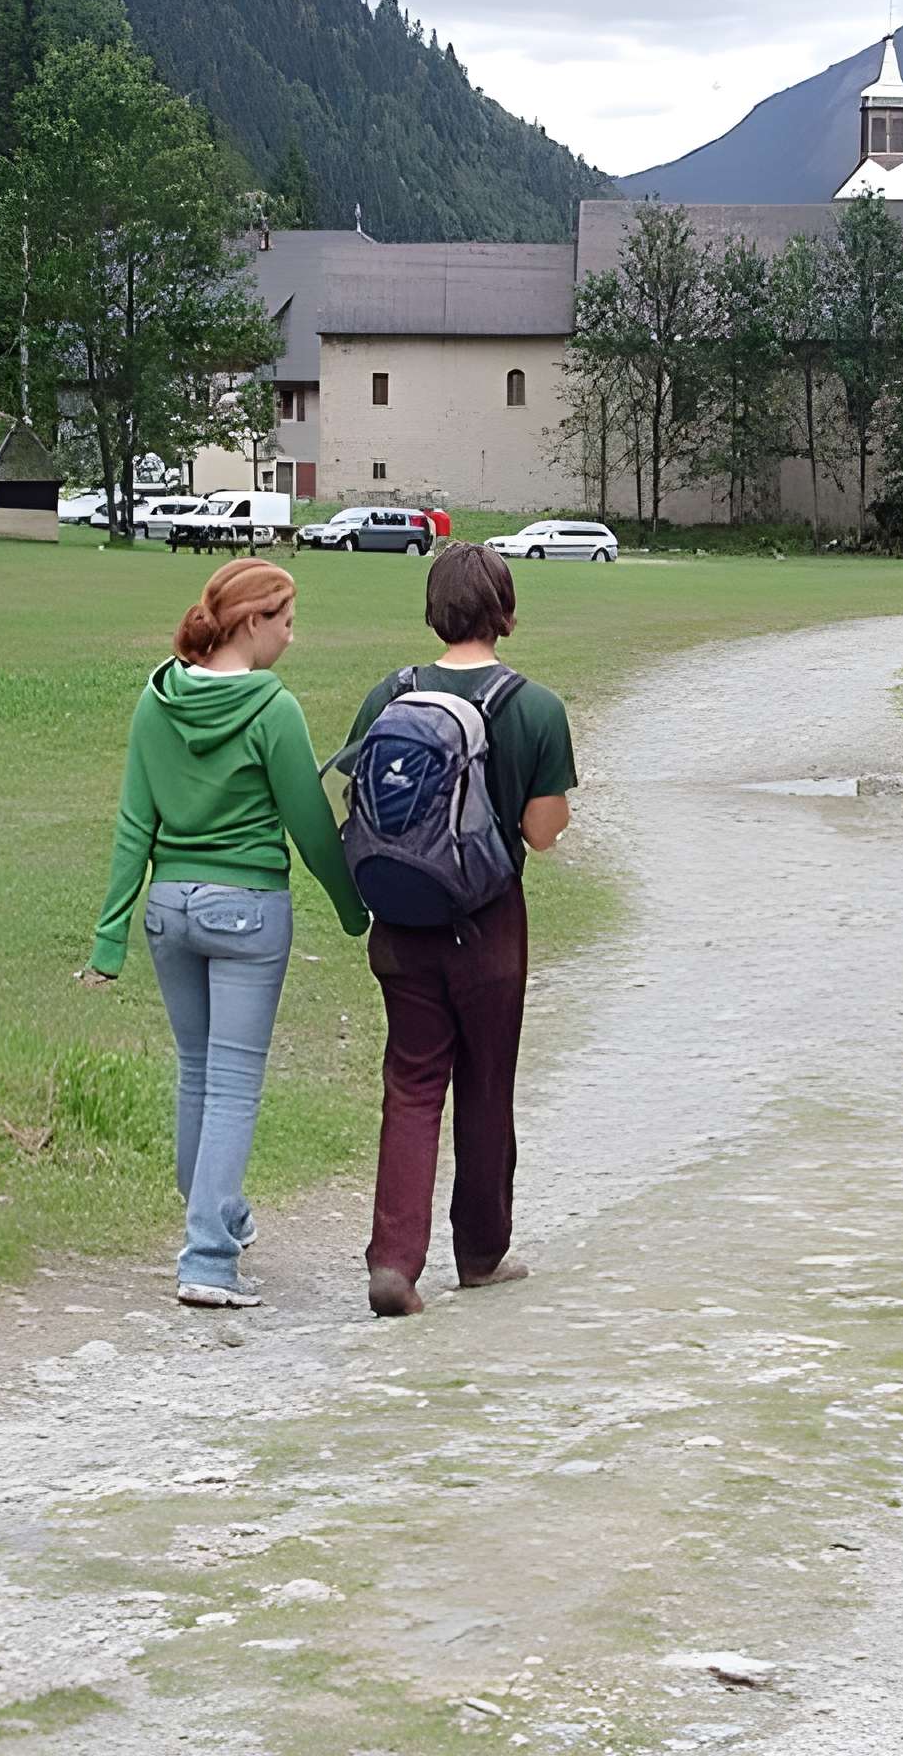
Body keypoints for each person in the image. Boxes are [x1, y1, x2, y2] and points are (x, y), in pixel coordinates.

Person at [82, 557, 368, 1309]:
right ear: (250, 623)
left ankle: (224, 1215)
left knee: (197, 1076)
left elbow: (133, 824)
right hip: (246, 912)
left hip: (169, 911)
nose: (291, 638)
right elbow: (309, 824)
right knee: (234, 1087)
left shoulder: (157, 697)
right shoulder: (273, 710)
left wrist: (109, 940)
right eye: (285, 622)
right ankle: (208, 1260)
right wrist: (353, 908)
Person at [343, 542, 575, 1318]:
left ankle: (393, 1262)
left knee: (411, 1085)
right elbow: (542, 835)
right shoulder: (534, 707)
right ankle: (479, 1255)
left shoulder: (391, 693)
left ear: (435, 607)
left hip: (400, 920)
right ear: (505, 611)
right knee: (485, 1085)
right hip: (487, 927)